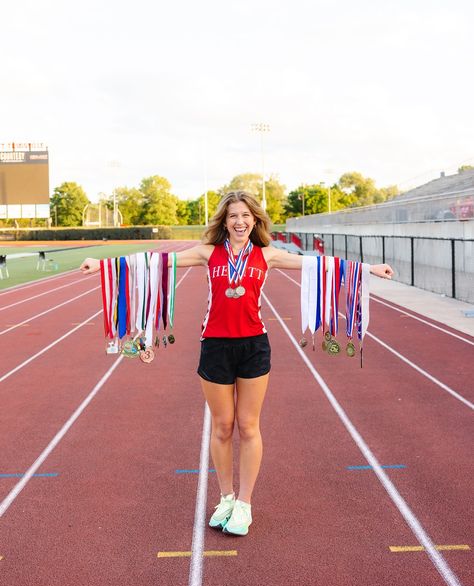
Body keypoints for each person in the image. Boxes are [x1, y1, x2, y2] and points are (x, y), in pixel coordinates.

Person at [80, 190, 393, 536]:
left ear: (255, 219)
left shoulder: (267, 255)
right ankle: (226, 498)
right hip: (214, 346)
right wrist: (103, 266)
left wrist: (367, 268)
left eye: (245, 215)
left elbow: (320, 265)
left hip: (254, 347)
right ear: (224, 222)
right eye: (233, 216)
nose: (240, 221)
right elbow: (153, 262)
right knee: (222, 426)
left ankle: (244, 504)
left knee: (248, 426)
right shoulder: (208, 253)